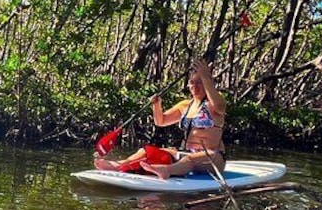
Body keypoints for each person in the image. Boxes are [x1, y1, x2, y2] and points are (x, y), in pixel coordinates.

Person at [94, 58, 226, 179]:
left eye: (199, 82)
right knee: (145, 151)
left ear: (206, 84)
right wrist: (157, 105)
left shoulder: (214, 105)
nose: (195, 86)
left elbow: (219, 106)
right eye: (192, 82)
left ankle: (167, 170)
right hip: (185, 152)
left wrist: (205, 76)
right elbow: (160, 121)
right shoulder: (185, 105)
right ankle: (118, 165)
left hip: (212, 156)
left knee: (189, 160)